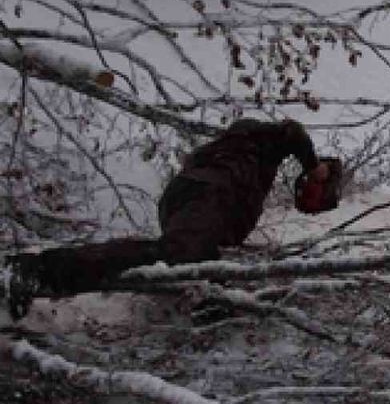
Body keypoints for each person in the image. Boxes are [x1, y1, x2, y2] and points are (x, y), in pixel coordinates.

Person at [4, 119, 340, 320]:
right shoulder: (261, 143)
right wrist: (314, 167)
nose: (309, 200)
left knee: (193, 264)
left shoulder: (248, 161)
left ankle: (211, 316)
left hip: (192, 198)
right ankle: (34, 270)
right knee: (172, 253)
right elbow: (293, 132)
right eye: (316, 194)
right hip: (207, 195)